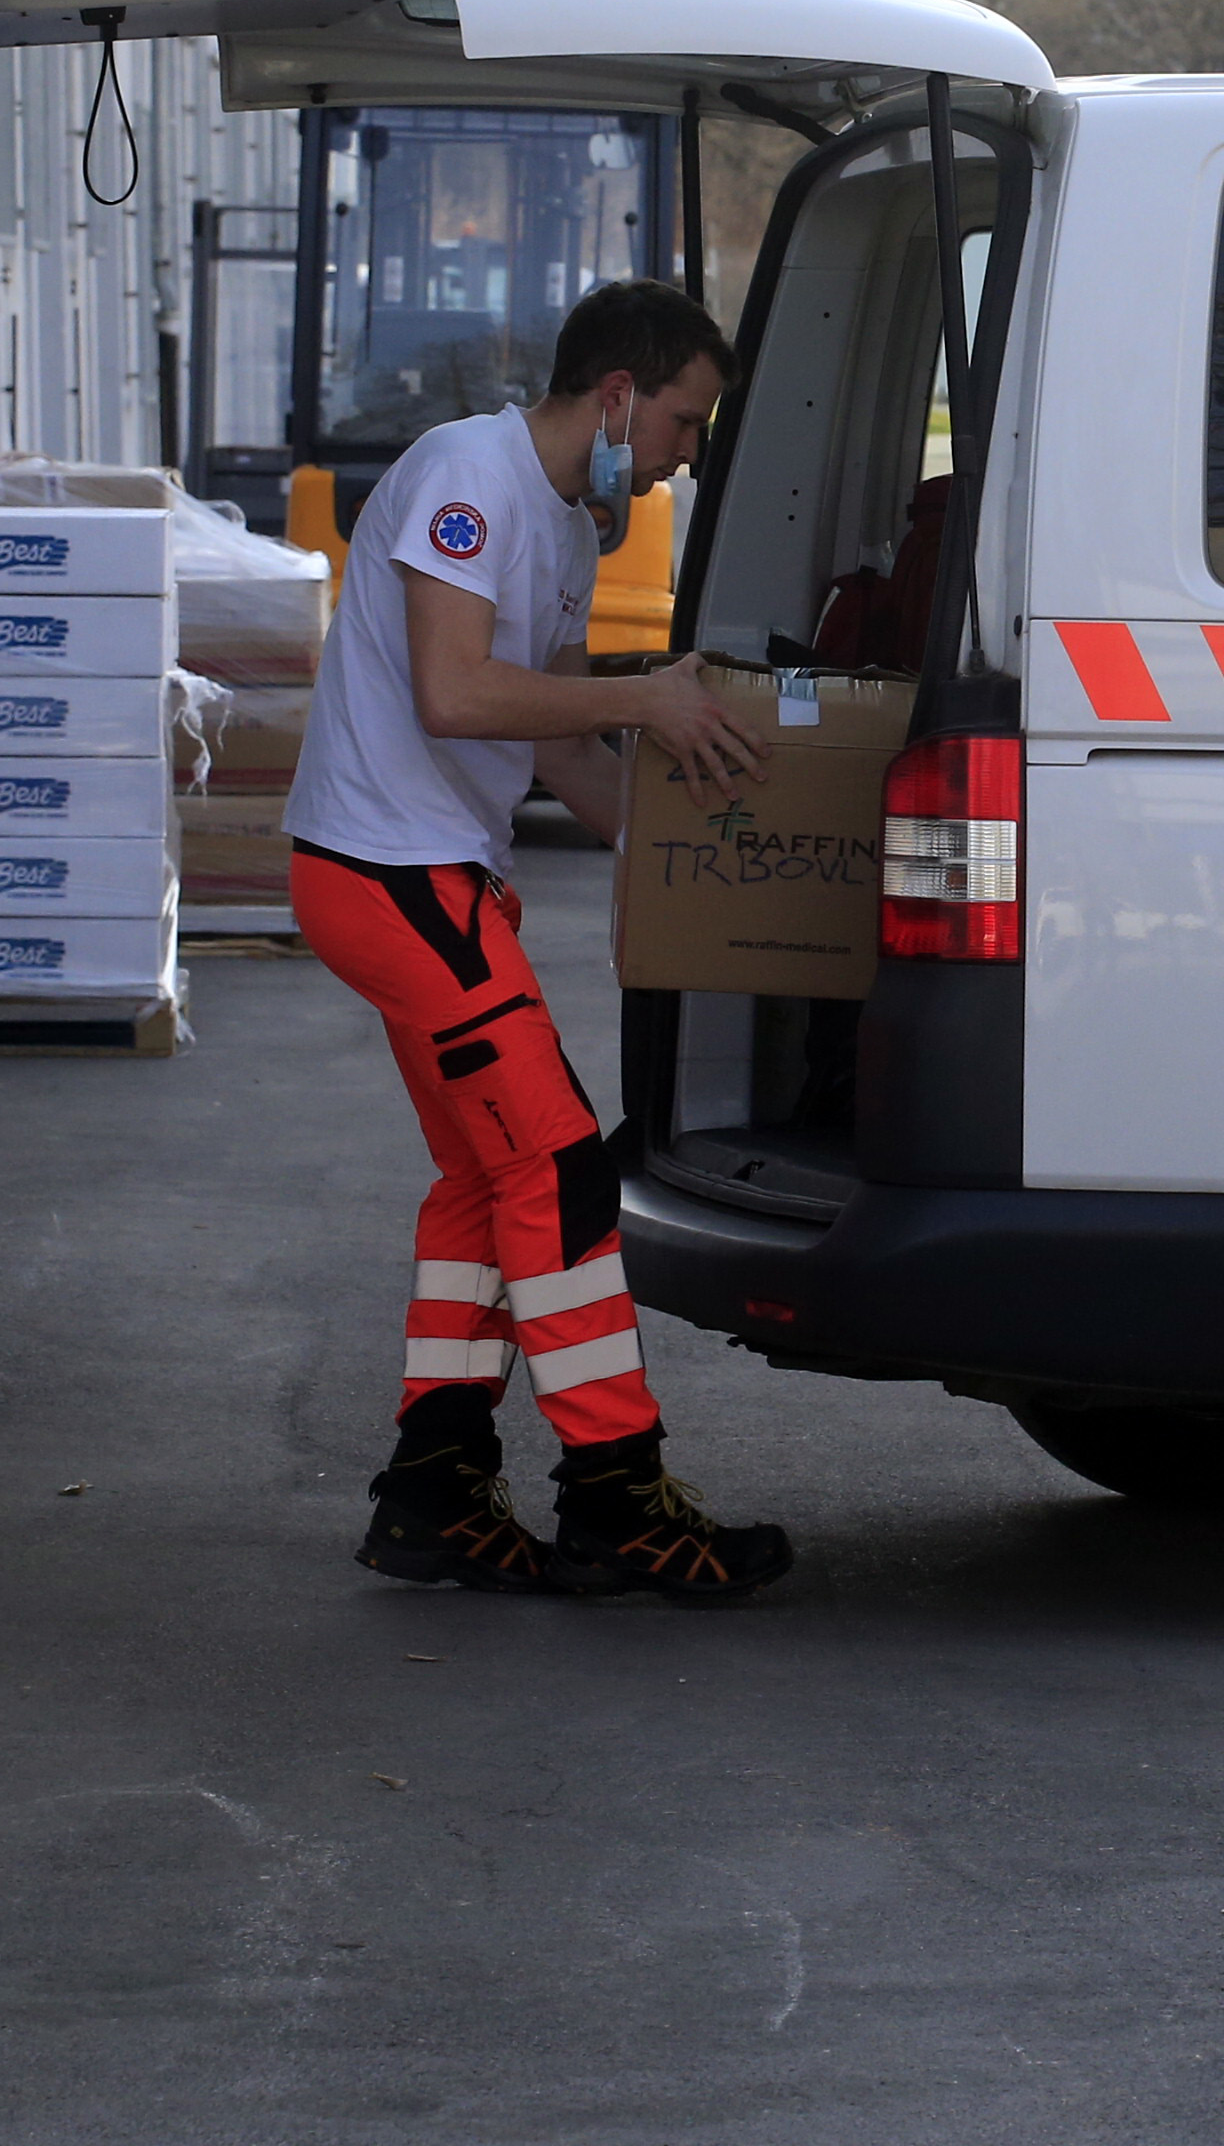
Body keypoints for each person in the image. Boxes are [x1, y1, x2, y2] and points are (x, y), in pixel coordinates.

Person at [284, 277, 786, 1605]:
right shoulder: (473, 476)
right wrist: (649, 702)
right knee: (560, 1172)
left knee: (483, 1181)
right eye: (685, 421)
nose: (686, 451)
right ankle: (618, 1499)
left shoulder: (571, 526)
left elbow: (554, 738)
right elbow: (457, 692)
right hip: (387, 876)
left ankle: (433, 1495)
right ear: (618, 396)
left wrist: (681, 871)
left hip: (439, 880)